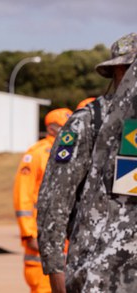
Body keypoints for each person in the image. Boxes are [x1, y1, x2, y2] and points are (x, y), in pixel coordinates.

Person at [36, 33, 137, 293]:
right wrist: (55, 271)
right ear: (119, 70)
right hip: (98, 276)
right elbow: (54, 203)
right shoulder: (89, 121)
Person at [13, 108, 71, 293]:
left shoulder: (69, 152)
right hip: (40, 237)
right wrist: (29, 234)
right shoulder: (37, 154)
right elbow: (23, 196)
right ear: (53, 128)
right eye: (67, 127)